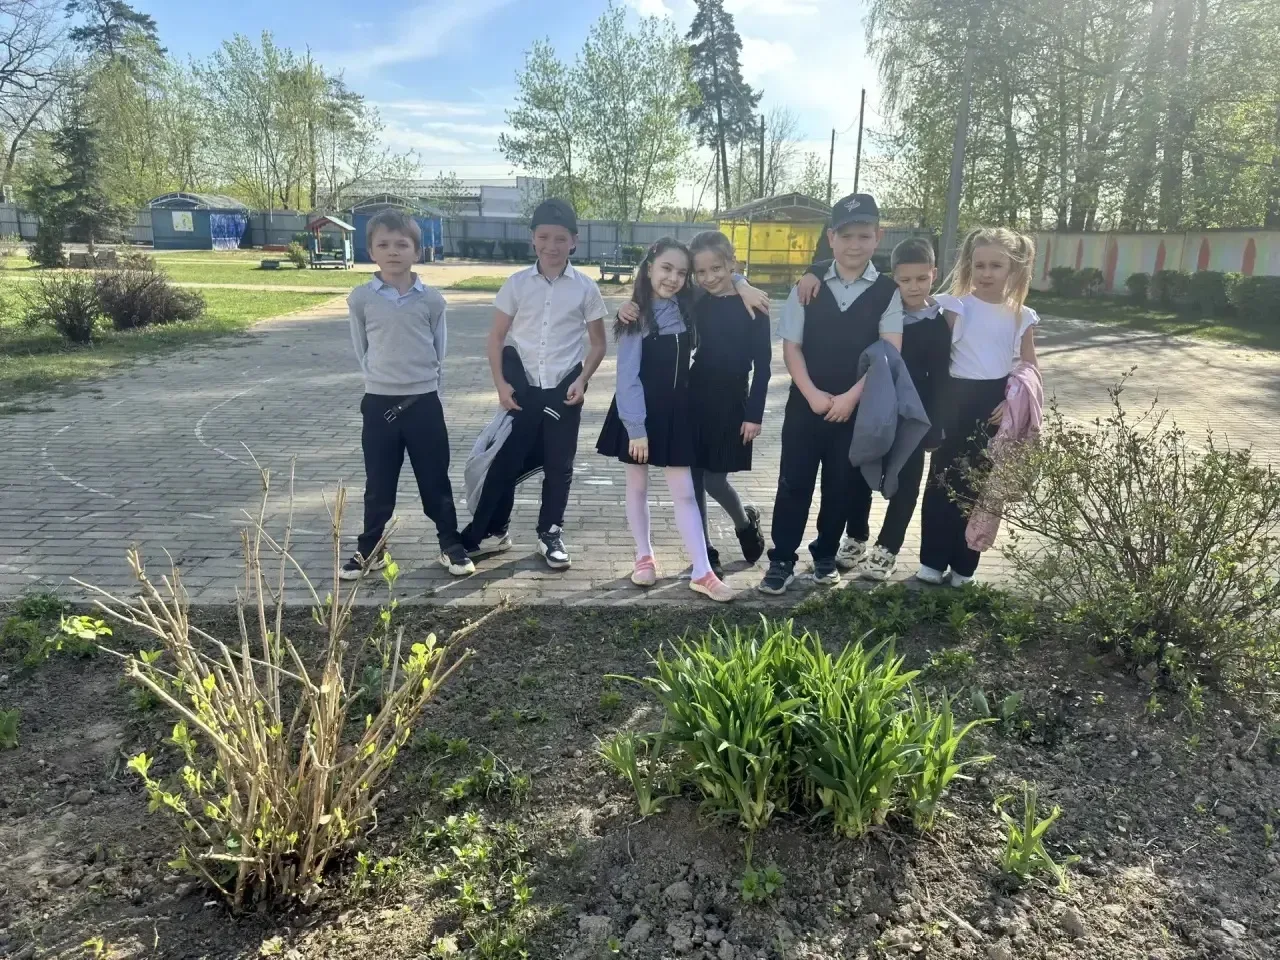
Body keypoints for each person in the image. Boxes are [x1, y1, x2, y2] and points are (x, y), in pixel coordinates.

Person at [757, 193, 905, 595]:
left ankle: (824, 554)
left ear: (878, 237)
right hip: (806, 404)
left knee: (841, 485)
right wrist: (811, 394)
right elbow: (792, 347)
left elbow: (889, 353)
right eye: (846, 236)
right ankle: (782, 558)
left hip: (855, 409)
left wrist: (851, 398)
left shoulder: (888, 292)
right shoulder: (808, 287)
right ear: (831, 238)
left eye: (864, 236)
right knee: (794, 483)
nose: (854, 245)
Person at [461, 199, 608, 571]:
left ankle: (550, 533)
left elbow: (598, 344)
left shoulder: (586, 288)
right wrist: (500, 385)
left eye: (560, 238)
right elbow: (496, 338)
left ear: (574, 241)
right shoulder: (516, 284)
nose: (551, 246)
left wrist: (582, 379)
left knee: (559, 466)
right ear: (533, 239)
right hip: (522, 391)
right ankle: (494, 531)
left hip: (564, 391)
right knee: (505, 462)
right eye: (544, 237)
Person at [615, 230, 770, 578]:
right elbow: (656, 298)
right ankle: (706, 551)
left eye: (717, 269)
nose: (709, 277)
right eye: (700, 272)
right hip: (693, 396)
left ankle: (744, 521)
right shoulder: (695, 300)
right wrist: (626, 306)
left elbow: (764, 366)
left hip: (733, 401)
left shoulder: (754, 305)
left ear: (731, 264)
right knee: (693, 477)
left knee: (715, 480)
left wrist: (754, 414)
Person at [795, 235, 951, 581]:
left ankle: (888, 548)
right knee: (859, 473)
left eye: (922, 278)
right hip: (872, 409)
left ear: (934, 274)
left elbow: (942, 378)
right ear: (893, 278)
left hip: (913, 417)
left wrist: (936, 425)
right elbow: (844, 264)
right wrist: (813, 269)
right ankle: (856, 536)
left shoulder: (938, 323)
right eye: (904, 279)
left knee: (907, 482)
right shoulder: (881, 307)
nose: (913, 286)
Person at [596, 238, 737, 602]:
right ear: (649, 268)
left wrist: (746, 287)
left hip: (676, 413)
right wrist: (636, 430)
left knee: (685, 493)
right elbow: (627, 377)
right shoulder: (635, 317)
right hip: (637, 414)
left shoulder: (688, 305)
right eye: (666, 269)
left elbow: (722, 280)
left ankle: (702, 572)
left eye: (681, 272)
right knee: (637, 486)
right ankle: (644, 557)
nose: (673, 278)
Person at [342, 209, 473, 581]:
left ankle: (450, 543)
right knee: (378, 482)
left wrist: (423, 385)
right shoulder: (361, 298)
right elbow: (362, 349)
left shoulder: (431, 300)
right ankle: (371, 547)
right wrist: (380, 381)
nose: (393, 251)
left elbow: (438, 349)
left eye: (402, 244)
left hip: (423, 404)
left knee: (435, 479)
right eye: (383, 244)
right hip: (379, 404)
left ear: (417, 251)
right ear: (371, 251)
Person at [917, 226, 1039, 586]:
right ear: (969, 265)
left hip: (994, 408)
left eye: (996, 266)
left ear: (1013, 268)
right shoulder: (954, 307)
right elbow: (936, 361)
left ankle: (965, 565)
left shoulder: (1021, 316)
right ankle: (932, 560)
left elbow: (1029, 366)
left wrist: (1011, 401)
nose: (986, 273)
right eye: (979, 265)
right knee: (943, 481)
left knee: (980, 487)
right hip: (954, 402)